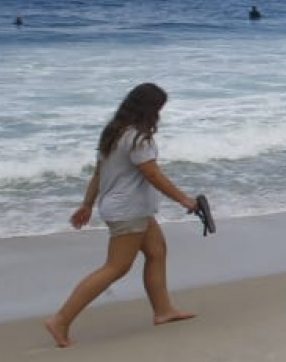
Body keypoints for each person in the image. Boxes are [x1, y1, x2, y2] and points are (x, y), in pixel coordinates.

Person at [45, 83, 203, 347]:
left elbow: (98, 174)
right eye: (158, 109)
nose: (160, 115)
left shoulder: (113, 133)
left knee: (156, 252)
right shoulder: (139, 138)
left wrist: (87, 205)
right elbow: (152, 174)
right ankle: (60, 320)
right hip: (128, 210)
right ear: (149, 109)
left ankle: (163, 311)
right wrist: (184, 200)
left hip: (127, 208)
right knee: (116, 267)